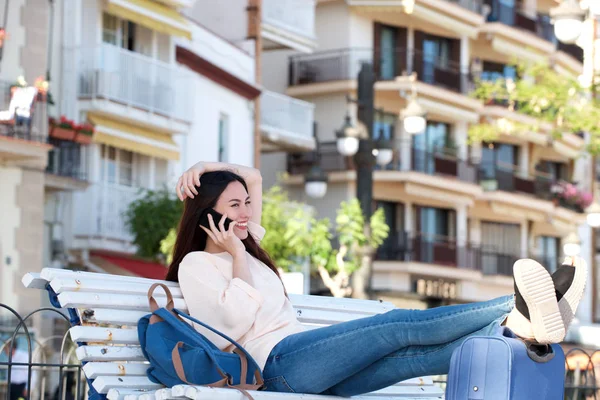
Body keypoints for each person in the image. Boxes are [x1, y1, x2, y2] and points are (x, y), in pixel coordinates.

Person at [167, 161, 587, 396]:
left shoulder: (247, 245)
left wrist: (206, 167)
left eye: (246, 204)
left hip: (303, 366)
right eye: (234, 205)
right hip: (273, 368)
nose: (245, 213)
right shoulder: (197, 266)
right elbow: (230, 330)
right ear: (208, 213)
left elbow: (253, 177)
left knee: (417, 358)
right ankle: (519, 305)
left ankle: (517, 325)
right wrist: (238, 256)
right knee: (394, 326)